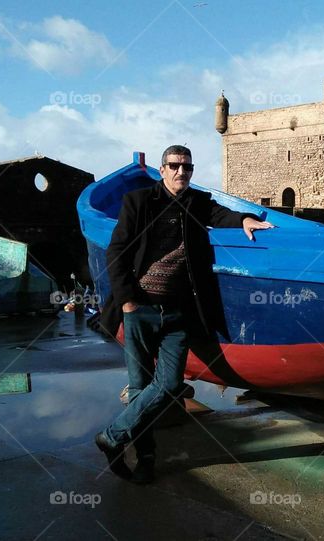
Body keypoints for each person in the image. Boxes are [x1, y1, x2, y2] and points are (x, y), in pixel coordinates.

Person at [94, 145, 274, 483]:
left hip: (177, 314)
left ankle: (113, 437)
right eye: (174, 166)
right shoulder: (138, 202)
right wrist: (128, 301)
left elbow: (221, 214)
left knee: (169, 384)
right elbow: (117, 251)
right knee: (139, 388)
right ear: (162, 170)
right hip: (140, 310)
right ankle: (145, 459)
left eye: (187, 168)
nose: (181, 173)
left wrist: (246, 219)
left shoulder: (196, 203)